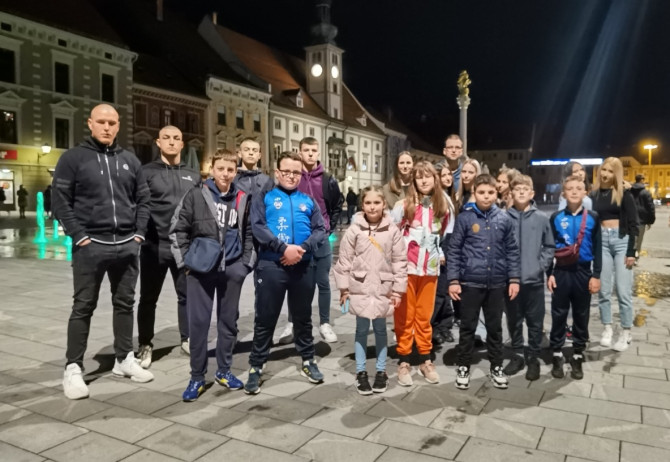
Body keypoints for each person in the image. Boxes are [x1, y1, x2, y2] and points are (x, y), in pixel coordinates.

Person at [53, 104, 153, 400]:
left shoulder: (129, 160)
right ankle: (73, 367)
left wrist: (139, 233)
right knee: (83, 306)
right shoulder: (73, 158)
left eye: (112, 122)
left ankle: (124, 359)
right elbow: (60, 200)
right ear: (90, 123)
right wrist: (79, 236)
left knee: (125, 303)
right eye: (101, 122)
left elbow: (143, 199)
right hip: (91, 245)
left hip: (126, 244)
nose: (107, 127)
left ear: (118, 125)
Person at [170, 149, 253, 401]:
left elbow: (249, 232)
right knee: (199, 324)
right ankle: (197, 376)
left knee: (228, 324)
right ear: (212, 169)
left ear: (236, 171)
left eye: (230, 169)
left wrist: (244, 265)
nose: (225, 174)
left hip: (232, 269)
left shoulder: (242, 198)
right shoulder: (196, 194)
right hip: (201, 269)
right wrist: (186, 263)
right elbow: (178, 229)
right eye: (221, 169)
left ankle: (224, 371)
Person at [244, 151, 327, 394]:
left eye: (296, 172)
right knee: (265, 317)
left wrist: (302, 248)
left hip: (303, 264)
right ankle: (256, 365)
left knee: (302, 316)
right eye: (287, 171)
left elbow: (320, 230)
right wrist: (283, 249)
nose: (291, 176)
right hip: (272, 265)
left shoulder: (307, 200)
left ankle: (308, 360)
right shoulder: (265, 197)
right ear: (277, 172)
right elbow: (258, 227)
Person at [448, 174, 520, 390]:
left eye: (490, 192)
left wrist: (514, 278)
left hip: (496, 283)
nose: (486, 196)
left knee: (495, 328)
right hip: (471, 282)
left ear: (496, 193)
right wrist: (453, 280)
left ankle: (496, 366)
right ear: (474, 193)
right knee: (467, 327)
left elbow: (512, 250)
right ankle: (463, 365)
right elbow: (454, 250)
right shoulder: (465, 218)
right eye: (481, 192)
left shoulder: (504, 219)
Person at [136, 126, 200, 369]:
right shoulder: (146, 172)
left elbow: (198, 209)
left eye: (176, 138)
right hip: (155, 246)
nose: (171, 142)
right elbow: (138, 206)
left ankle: (187, 338)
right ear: (158, 143)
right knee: (148, 298)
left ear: (182, 144)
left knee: (187, 296)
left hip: (183, 248)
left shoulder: (193, 175)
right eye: (166, 138)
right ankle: (145, 344)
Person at [334, 186, 408, 395]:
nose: (372, 207)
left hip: (384, 287)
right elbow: (345, 260)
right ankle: (361, 372)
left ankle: (381, 371)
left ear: (384, 204)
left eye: (377, 202)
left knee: (381, 329)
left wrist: (398, 291)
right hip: (360, 287)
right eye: (368, 203)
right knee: (361, 329)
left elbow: (400, 262)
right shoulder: (354, 230)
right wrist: (344, 289)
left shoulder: (392, 230)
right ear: (362, 205)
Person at [391, 161, 451, 386]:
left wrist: (440, 252)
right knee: (405, 316)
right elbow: (392, 234)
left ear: (435, 179)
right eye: (419, 177)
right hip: (407, 269)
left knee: (424, 316)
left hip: (430, 269)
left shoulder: (443, 206)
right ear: (413, 181)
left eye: (428, 176)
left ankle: (425, 358)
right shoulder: (403, 206)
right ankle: (404, 360)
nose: (424, 180)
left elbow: (442, 235)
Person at [277, 137, 341, 344]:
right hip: (298, 240)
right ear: (300, 152)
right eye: (306, 150)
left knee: (323, 283)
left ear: (318, 153)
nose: (311, 154)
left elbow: (337, 205)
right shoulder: (294, 177)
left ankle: (325, 323)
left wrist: (329, 228)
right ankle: (292, 323)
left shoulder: (327, 179)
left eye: (314, 150)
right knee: (295, 282)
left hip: (321, 239)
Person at [547, 175, 601, 379]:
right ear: (563, 193)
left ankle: (578, 353)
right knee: (558, 313)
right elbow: (549, 248)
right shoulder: (556, 217)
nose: (575, 191)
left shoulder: (593, 217)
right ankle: (557, 352)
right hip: (561, 272)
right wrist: (549, 274)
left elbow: (598, 248)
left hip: (583, 272)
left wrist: (596, 275)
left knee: (581, 313)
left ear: (585, 192)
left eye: (579, 188)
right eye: (570, 188)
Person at [503, 175, 555, 380]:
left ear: (532, 193)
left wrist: (540, 266)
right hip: (511, 281)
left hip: (533, 281)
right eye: (518, 189)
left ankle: (533, 357)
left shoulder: (541, 218)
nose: (522, 192)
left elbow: (549, 245)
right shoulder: (504, 218)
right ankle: (517, 355)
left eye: (526, 189)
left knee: (535, 321)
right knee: (514, 320)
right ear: (511, 193)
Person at [589, 157, 638, 352]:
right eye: (604, 170)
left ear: (616, 174)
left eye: (610, 171)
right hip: (601, 242)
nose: (605, 174)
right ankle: (607, 328)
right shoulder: (593, 194)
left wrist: (631, 251)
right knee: (604, 290)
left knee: (623, 290)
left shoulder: (624, 193)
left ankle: (626, 332)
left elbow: (634, 223)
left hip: (621, 240)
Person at [432, 164, 457, 343]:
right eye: (444, 175)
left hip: (450, 242)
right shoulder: (437, 198)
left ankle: (444, 325)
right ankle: (433, 327)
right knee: (440, 290)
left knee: (445, 289)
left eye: (450, 174)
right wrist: (440, 250)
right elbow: (436, 227)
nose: (448, 178)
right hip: (442, 243)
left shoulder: (448, 196)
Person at [630, 174, 655, 264]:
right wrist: (650, 221)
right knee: (639, 240)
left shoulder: (630, 191)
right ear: (642, 180)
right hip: (641, 220)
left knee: (632, 239)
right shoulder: (646, 192)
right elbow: (650, 207)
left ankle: (630, 255)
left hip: (631, 219)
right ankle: (635, 257)